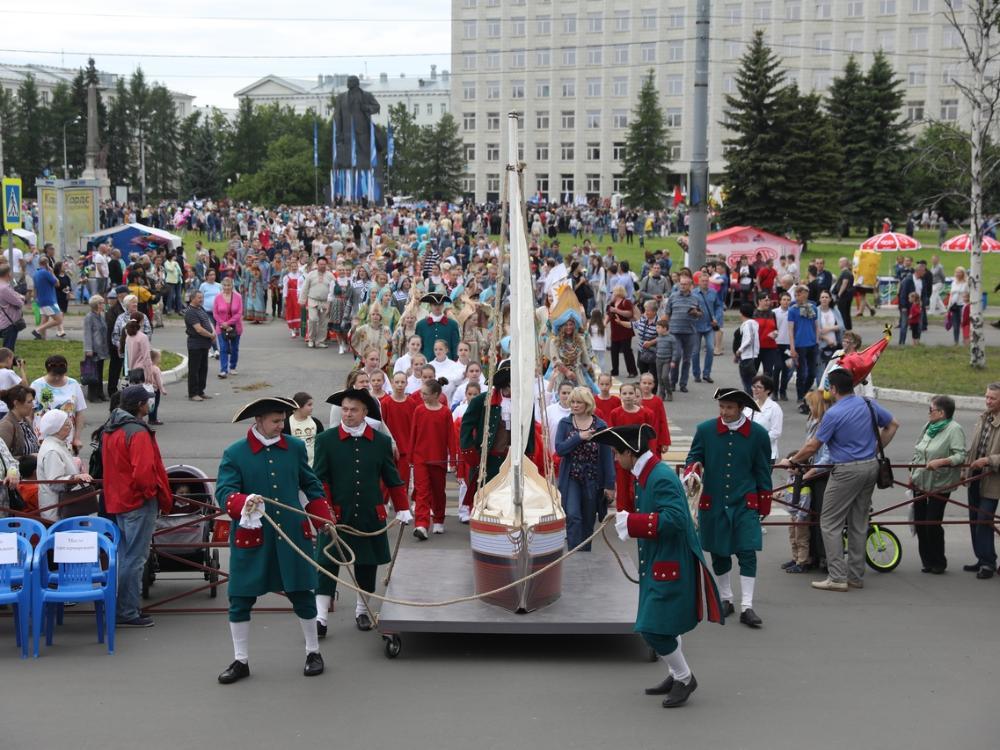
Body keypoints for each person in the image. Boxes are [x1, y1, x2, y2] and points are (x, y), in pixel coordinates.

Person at [593, 423, 722, 708]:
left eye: (617, 453)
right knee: (667, 624)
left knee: (652, 628)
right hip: (661, 556)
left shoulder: (659, 476)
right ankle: (675, 674)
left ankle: (685, 677)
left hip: (670, 559)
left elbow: (676, 520)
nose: (616, 458)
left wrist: (633, 523)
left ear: (629, 452)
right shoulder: (648, 472)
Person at [215, 396, 334, 683]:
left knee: (302, 593)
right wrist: (244, 501)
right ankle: (240, 660)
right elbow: (224, 492)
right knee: (240, 599)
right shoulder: (235, 453)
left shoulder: (293, 448)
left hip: (292, 533)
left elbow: (310, 484)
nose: (282, 426)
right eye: (276, 421)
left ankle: (313, 652)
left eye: (283, 420)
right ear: (259, 421)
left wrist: (321, 518)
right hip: (252, 536)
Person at [779, 369, 899, 592]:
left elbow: (813, 446)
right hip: (870, 467)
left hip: (845, 470)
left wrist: (792, 460)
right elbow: (893, 424)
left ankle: (837, 577)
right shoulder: (868, 404)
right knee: (858, 522)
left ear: (833, 389)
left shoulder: (834, 414)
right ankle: (855, 576)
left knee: (830, 522)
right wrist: (875, 448)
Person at [312, 388, 411, 633]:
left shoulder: (380, 442)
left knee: (366, 564)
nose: (348, 414)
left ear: (365, 412)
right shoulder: (326, 440)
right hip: (336, 515)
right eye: (344, 409)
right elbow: (319, 479)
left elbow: (392, 477)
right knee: (326, 563)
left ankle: (362, 610)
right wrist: (325, 511)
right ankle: (321, 616)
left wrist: (402, 508)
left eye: (353, 410)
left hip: (369, 514)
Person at [684, 388, 772, 628]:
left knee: (747, 551)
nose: (724, 412)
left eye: (729, 407)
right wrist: (692, 472)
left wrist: (764, 502)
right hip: (714, 501)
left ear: (741, 408)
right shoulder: (706, 430)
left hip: (745, 501)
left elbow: (763, 470)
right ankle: (726, 599)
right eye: (721, 407)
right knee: (719, 552)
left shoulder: (758, 434)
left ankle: (747, 607)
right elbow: (693, 458)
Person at [100, 385, 172, 627]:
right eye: (147, 401)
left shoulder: (111, 428)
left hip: (116, 499)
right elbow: (143, 472)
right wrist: (150, 494)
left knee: (123, 556)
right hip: (137, 501)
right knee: (134, 558)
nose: (149, 404)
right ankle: (127, 611)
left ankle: (119, 607)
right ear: (141, 404)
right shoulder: (136, 432)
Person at [909, 395, 966, 575]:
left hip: (941, 483)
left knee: (932, 523)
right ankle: (927, 561)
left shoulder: (954, 429)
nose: (928, 413)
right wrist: (912, 473)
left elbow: (960, 456)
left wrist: (941, 461)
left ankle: (939, 562)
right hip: (920, 480)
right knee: (919, 522)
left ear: (941, 413)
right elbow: (918, 449)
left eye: (931, 410)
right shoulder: (928, 427)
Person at [554, 387, 614, 551]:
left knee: (588, 520)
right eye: (572, 402)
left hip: (593, 478)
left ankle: (585, 554)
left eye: (578, 402)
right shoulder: (565, 424)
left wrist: (610, 485)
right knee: (573, 515)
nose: (574, 405)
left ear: (587, 404)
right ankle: (574, 553)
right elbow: (559, 449)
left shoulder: (600, 425)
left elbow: (607, 457)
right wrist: (578, 437)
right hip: (572, 477)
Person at [409, 379, 456, 539]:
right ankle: (421, 524)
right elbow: (413, 434)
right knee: (422, 491)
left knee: (438, 491)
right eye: (421, 393)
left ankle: (438, 519)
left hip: (438, 459)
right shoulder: (419, 410)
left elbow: (451, 437)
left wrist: (453, 459)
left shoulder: (445, 413)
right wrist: (411, 456)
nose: (421, 396)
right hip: (420, 458)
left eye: (425, 394)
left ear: (436, 395)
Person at [963, 383, 1000, 579]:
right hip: (975, 477)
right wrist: (964, 470)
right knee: (973, 519)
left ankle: (988, 563)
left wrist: (988, 460)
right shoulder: (984, 417)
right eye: (986, 397)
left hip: (992, 480)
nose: (988, 401)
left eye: (992, 398)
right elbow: (974, 447)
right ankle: (981, 557)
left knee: (984, 521)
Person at [609, 382, 657, 511]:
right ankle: (623, 519)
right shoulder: (615, 413)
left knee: (639, 487)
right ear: (620, 396)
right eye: (624, 393)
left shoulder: (646, 414)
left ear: (636, 395)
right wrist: (617, 454)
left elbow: (651, 437)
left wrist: (650, 456)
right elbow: (612, 436)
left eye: (631, 393)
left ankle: (640, 515)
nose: (628, 396)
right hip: (623, 458)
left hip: (639, 458)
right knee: (623, 490)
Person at [30, 354, 87, 454]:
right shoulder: (37, 385)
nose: (57, 378)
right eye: (53, 375)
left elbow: (79, 413)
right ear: (47, 371)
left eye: (60, 375)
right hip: (41, 438)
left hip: (66, 438)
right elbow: (29, 413)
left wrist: (77, 438)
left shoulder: (73, 384)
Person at [35, 410, 83, 522]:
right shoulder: (52, 450)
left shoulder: (56, 444)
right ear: (56, 428)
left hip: (63, 507)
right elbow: (55, 482)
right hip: (57, 511)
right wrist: (75, 478)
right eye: (66, 424)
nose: (70, 427)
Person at [666, 276, 700, 393]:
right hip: (675, 332)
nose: (682, 286)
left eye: (685, 284)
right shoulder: (673, 296)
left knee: (687, 359)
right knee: (676, 357)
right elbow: (667, 313)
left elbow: (700, 314)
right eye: (681, 284)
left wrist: (696, 313)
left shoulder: (695, 298)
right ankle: (672, 382)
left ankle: (683, 384)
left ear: (691, 285)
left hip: (690, 332)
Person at [788, 285, 819, 412]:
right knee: (802, 374)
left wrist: (817, 340)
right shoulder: (793, 310)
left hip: (812, 344)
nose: (799, 296)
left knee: (812, 373)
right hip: (800, 345)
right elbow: (790, 330)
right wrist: (792, 347)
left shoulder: (813, 308)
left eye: (802, 294)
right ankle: (801, 398)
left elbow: (816, 325)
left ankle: (805, 394)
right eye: (797, 295)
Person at [184, 290, 215, 402]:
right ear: (192, 298)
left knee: (203, 369)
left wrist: (213, 331)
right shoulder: (190, 312)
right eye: (199, 298)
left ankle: (200, 391)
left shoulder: (200, 309)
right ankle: (193, 393)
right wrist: (211, 335)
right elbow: (198, 329)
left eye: (202, 297)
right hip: (195, 344)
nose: (201, 300)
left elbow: (208, 321)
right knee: (194, 369)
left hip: (204, 344)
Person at [692, 273, 722, 384]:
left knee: (710, 348)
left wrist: (716, 318)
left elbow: (719, 306)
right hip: (696, 326)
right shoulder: (693, 293)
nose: (705, 283)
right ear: (698, 282)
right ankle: (696, 374)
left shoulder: (713, 293)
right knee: (695, 351)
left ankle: (706, 374)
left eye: (706, 281)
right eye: (703, 281)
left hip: (709, 326)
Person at [414, 292, 460, 361]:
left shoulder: (452, 324)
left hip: (447, 362)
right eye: (435, 304)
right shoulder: (421, 325)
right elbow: (418, 346)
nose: (437, 307)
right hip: (427, 361)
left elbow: (455, 346)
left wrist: (455, 362)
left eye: (440, 304)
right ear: (430, 305)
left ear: (443, 305)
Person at [300, 257, 334, 349]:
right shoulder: (311, 274)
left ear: (326, 265)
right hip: (312, 300)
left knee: (324, 322)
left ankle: (320, 341)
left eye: (324, 264)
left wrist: (332, 303)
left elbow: (333, 290)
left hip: (325, 302)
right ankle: (311, 339)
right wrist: (302, 300)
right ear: (317, 264)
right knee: (313, 319)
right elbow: (305, 288)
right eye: (320, 264)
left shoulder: (330, 276)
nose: (322, 266)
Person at [282, 391, 325, 466]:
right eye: (309, 405)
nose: (312, 407)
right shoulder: (287, 424)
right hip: (295, 464)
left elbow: (322, 445)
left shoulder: (316, 423)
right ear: (299, 407)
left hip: (314, 465)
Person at [213, 276, 244, 379]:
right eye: (225, 285)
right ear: (222, 286)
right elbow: (215, 313)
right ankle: (223, 370)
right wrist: (223, 324)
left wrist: (229, 323)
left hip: (236, 327)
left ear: (232, 285)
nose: (226, 287)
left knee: (234, 348)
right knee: (223, 348)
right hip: (221, 327)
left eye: (229, 285)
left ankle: (233, 366)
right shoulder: (218, 297)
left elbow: (239, 312)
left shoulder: (238, 297)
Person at [748, 375, 782, 464]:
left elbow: (776, 432)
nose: (755, 389)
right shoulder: (749, 406)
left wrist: (757, 441)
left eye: (759, 387)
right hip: (748, 452)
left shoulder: (775, 408)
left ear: (768, 390)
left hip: (766, 453)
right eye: (753, 386)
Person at [606, 285, 637, 378]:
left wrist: (617, 310)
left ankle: (632, 371)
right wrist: (604, 324)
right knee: (614, 351)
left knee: (627, 351)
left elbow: (629, 314)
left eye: (613, 292)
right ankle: (615, 370)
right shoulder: (612, 303)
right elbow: (608, 315)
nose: (612, 294)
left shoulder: (626, 302)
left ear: (618, 292)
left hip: (625, 330)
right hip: (615, 330)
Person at [0, 385, 38, 459]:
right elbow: (2, 458)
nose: (33, 405)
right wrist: (29, 459)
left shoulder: (26, 421)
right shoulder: (6, 425)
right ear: (16, 403)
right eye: (29, 402)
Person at [83, 295, 109, 402]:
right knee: (93, 373)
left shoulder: (101, 316)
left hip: (101, 348)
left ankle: (100, 393)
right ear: (97, 305)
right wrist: (88, 349)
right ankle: (92, 395)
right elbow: (87, 334)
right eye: (102, 303)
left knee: (99, 371)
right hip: (93, 349)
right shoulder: (89, 317)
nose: (104, 304)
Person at [31, 257, 61, 341]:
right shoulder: (46, 273)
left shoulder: (36, 273)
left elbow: (35, 288)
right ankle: (37, 330)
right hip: (49, 300)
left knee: (45, 319)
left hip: (41, 300)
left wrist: (35, 299)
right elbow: (57, 284)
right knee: (59, 320)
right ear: (47, 264)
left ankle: (42, 338)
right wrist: (52, 273)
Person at [735, 303, 760, 394]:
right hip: (751, 356)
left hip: (748, 357)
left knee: (748, 382)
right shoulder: (753, 324)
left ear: (741, 313)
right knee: (751, 381)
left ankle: (751, 402)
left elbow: (748, 339)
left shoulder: (748, 324)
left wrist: (739, 350)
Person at [198, 269, 222, 358]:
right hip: (206, 311)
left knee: (217, 330)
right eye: (210, 275)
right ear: (206, 276)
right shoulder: (203, 286)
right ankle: (215, 350)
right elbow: (199, 297)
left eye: (214, 275)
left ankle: (209, 348)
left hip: (218, 312)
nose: (212, 277)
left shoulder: (219, 286)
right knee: (211, 330)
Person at [0, 264, 25, 351]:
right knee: (8, 351)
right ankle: (6, 364)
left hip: (3, 320)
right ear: (8, 274)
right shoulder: (4, 288)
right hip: (9, 323)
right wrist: (21, 298)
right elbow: (19, 303)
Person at [945, 266, 969, 345]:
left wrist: (967, 302)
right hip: (954, 305)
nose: (958, 274)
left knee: (964, 323)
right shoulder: (954, 282)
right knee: (955, 324)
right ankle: (956, 341)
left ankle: (965, 340)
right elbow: (951, 295)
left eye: (960, 272)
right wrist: (948, 306)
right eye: (957, 272)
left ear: (963, 273)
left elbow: (969, 294)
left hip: (963, 305)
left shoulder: (966, 283)